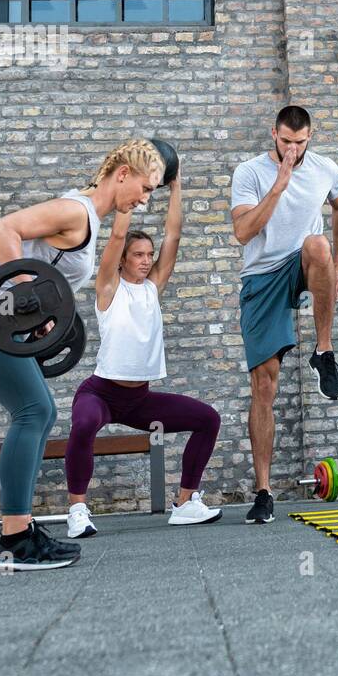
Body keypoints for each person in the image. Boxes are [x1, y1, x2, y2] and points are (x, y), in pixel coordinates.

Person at [0, 140, 162, 569]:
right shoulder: (77, 211)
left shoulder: (91, 220)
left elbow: (41, 279)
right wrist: (31, 297)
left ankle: (21, 530)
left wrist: (41, 311)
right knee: (32, 410)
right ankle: (14, 540)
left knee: (40, 412)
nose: (145, 198)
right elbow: (0, 231)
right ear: (122, 173)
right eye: (145, 187)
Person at [64, 156, 222, 536]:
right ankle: (78, 512)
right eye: (138, 255)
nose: (146, 260)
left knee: (208, 419)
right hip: (101, 393)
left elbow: (174, 235)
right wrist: (127, 202)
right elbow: (117, 237)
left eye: (149, 255)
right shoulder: (109, 288)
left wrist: (177, 183)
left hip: (140, 401)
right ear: (121, 260)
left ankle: (185, 503)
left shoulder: (153, 287)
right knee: (84, 422)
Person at [231, 105, 338, 525]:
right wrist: (279, 184)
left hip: (301, 263)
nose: (293, 150)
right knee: (264, 383)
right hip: (262, 276)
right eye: (286, 142)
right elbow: (242, 233)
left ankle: (324, 351)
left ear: (310, 136)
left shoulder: (324, 168)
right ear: (274, 135)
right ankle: (263, 490)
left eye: (300, 142)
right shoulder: (249, 173)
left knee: (318, 247)